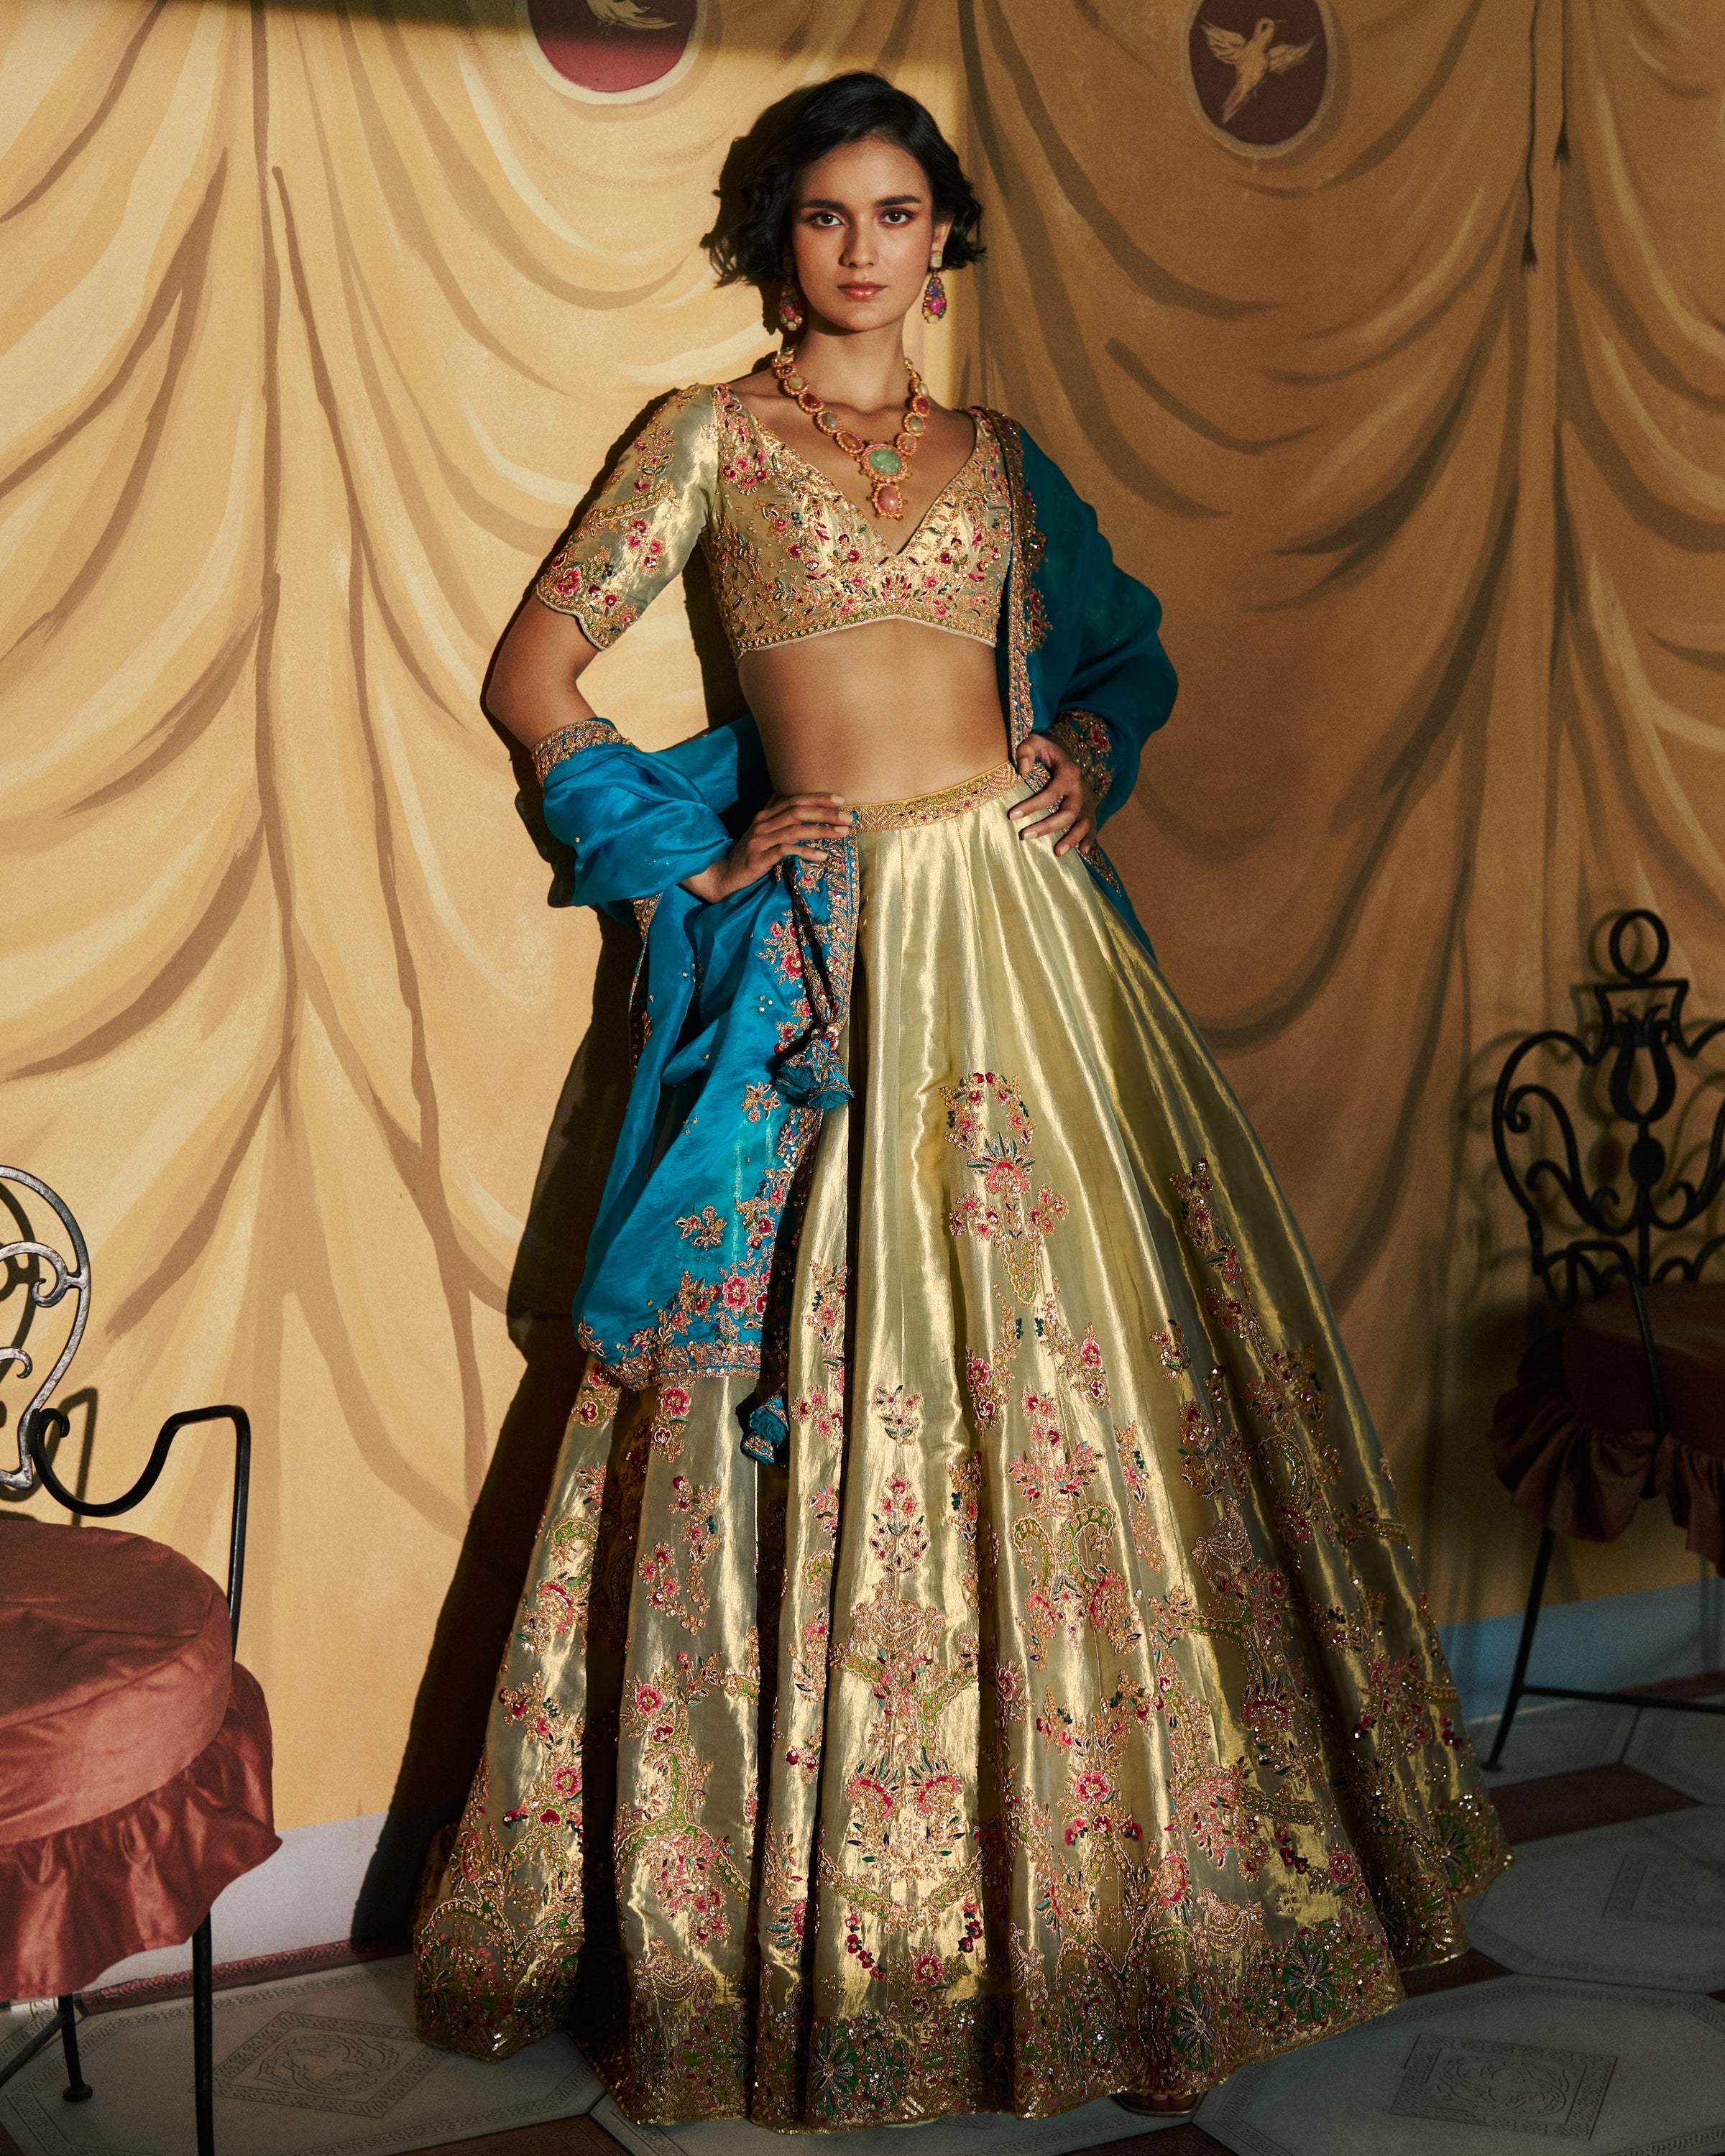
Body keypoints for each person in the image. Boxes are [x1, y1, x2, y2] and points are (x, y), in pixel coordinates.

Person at [413, 70, 1508, 2130]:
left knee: (1097, 1384)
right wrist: (685, 860)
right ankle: (843, 1916)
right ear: (778, 240)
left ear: (944, 240)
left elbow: (1122, 661)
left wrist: (1086, 755)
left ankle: (1130, 1904)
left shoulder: (1004, 462)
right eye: (827, 214)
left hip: (1032, 940)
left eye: (898, 212)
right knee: (832, 1374)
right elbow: (531, 676)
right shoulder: (706, 442)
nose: (863, 248)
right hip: (834, 956)